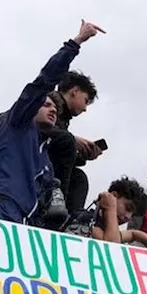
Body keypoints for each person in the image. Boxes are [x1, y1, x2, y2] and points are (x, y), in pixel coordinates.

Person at [0, 20, 105, 225]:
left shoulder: (44, 159)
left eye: (54, 108)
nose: (53, 108)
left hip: (27, 219)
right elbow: (44, 81)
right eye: (46, 105)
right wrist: (76, 42)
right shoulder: (17, 124)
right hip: (1, 206)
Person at [44, 70, 104, 213]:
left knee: (78, 177)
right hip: (33, 160)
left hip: (47, 161)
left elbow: (60, 157)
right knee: (67, 140)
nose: (85, 109)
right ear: (75, 91)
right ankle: (58, 206)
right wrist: (72, 139)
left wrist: (83, 156)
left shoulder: (63, 118)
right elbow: (36, 130)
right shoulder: (46, 104)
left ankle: (72, 220)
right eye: (85, 101)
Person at [63, 177, 147, 245]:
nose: (128, 217)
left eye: (132, 215)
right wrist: (110, 208)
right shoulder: (86, 219)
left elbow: (133, 234)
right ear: (114, 196)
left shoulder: (111, 232)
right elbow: (111, 246)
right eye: (128, 208)